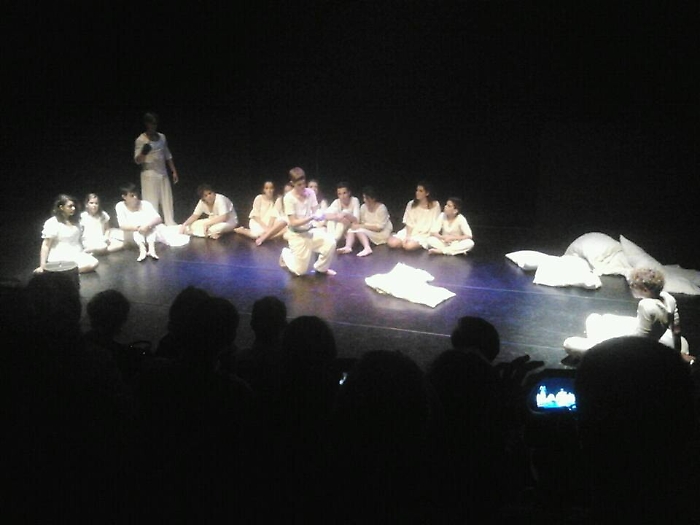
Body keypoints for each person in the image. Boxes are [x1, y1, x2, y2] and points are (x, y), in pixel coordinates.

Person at [563, 267, 693, 358]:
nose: (631, 288)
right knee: (604, 318)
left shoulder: (646, 305)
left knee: (572, 341)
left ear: (645, 290)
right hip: (653, 339)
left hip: (638, 350)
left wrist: (612, 345)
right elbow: (676, 331)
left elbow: (637, 342)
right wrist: (677, 353)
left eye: (633, 285)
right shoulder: (669, 298)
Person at [279, 167, 337, 276]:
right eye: (299, 185)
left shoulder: (310, 193)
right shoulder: (289, 198)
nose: (302, 187)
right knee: (300, 271)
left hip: (310, 232)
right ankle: (285, 254)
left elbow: (316, 210)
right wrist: (312, 217)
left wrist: (320, 215)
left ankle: (321, 268)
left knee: (330, 242)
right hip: (297, 236)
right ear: (292, 183)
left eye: (303, 184)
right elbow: (293, 222)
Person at [134, 112, 179, 226]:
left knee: (167, 199)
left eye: (155, 124)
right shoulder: (141, 140)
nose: (153, 126)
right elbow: (138, 160)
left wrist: (173, 171)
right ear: (146, 124)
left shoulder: (162, 137)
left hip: (163, 172)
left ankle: (170, 222)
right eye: (151, 124)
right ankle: (152, 224)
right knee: (151, 200)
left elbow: (167, 154)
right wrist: (144, 152)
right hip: (149, 174)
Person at [35, 194, 99, 274]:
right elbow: (46, 245)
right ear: (61, 207)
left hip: (77, 254)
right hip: (61, 257)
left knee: (94, 263)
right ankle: (63, 272)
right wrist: (42, 266)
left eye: (74, 206)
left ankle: (67, 272)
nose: (73, 208)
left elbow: (80, 239)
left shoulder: (76, 221)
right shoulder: (53, 223)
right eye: (70, 206)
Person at [114, 182, 163, 262]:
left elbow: (158, 218)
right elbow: (122, 225)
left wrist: (148, 226)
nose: (135, 197)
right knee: (137, 230)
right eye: (132, 196)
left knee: (150, 226)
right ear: (124, 197)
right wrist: (138, 228)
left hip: (148, 233)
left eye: (136, 194)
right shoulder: (120, 206)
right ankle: (142, 250)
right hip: (132, 234)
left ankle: (151, 249)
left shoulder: (145, 204)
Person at [340, 186, 393, 257]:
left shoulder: (381, 208)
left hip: (381, 232)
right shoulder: (363, 207)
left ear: (373, 198)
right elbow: (360, 222)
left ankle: (367, 248)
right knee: (352, 229)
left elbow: (379, 228)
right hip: (368, 228)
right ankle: (348, 247)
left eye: (366, 198)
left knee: (360, 230)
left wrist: (361, 226)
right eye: (364, 198)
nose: (364, 200)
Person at [387, 181, 441, 251]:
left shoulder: (435, 205)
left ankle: (413, 243)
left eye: (421, 191)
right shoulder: (411, 204)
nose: (417, 193)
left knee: (408, 246)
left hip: (425, 234)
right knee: (392, 243)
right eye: (417, 190)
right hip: (411, 231)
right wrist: (408, 236)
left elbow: (436, 223)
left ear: (427, 193)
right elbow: (409, 222)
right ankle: (401, 241)